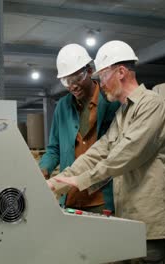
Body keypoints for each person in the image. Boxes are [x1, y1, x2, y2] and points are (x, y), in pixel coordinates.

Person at [47, 40, 165, 264]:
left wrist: (80, 180)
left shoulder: (153, 106)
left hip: (148, 221)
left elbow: (125, 156)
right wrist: (58, 181)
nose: (100, 83)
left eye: (103, 75)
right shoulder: (123, 113)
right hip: (125, 218)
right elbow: (100, 150)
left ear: (121, 72)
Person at [39, 43, 120, 214]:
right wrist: (43, 168)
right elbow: (54, 148)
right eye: (66, 81)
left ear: (89, 71)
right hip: (70, 196)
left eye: (76, 78)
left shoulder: (111, 102)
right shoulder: (62, 107)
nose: (72, 86)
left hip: (101, 196)